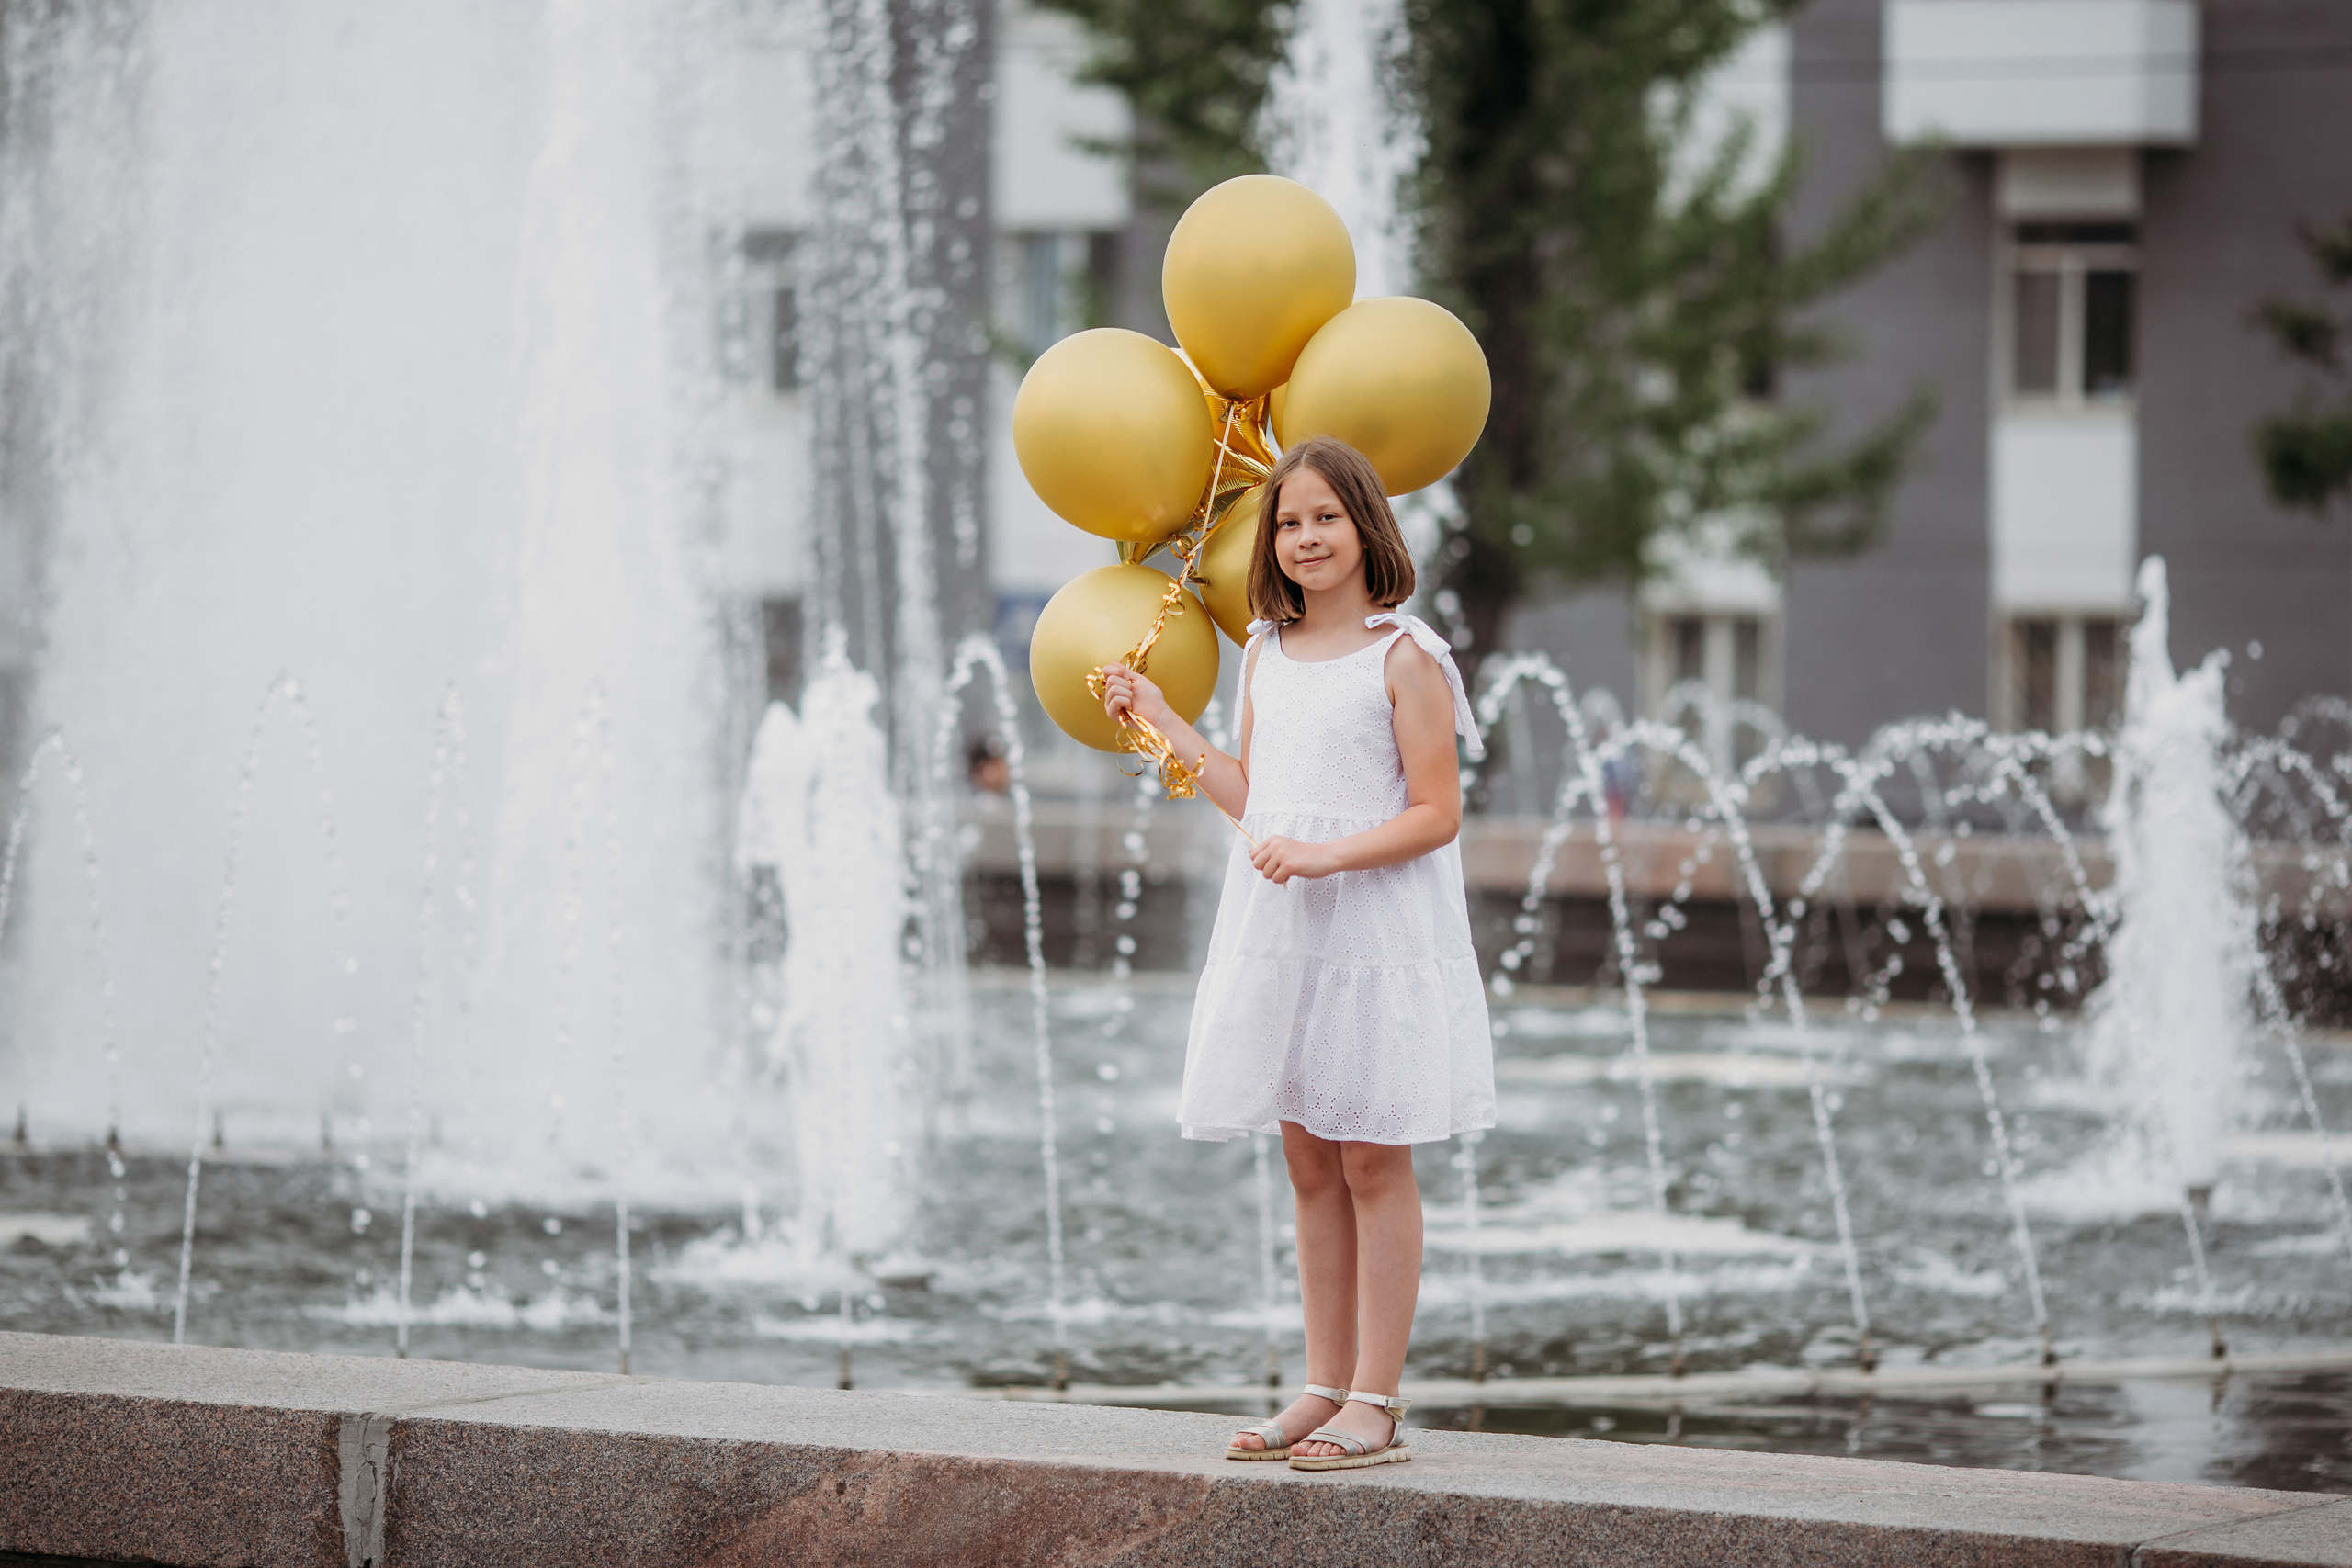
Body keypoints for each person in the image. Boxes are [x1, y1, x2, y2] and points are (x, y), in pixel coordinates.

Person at [1097, 434, 1494, 1472]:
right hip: (1287, 925)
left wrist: (1328, 856)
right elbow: (1253, 796)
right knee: (1307, 1157)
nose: (1305, 536)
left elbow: (1438, 813)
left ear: (1366, 527)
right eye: (1288, 520)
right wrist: (1159, 717)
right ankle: (1322, 1385)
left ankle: (1378, 1398)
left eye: (1325, 516)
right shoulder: (1267, 651)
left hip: (1375, 926)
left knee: (1372, 1153)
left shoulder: (1406, 656)